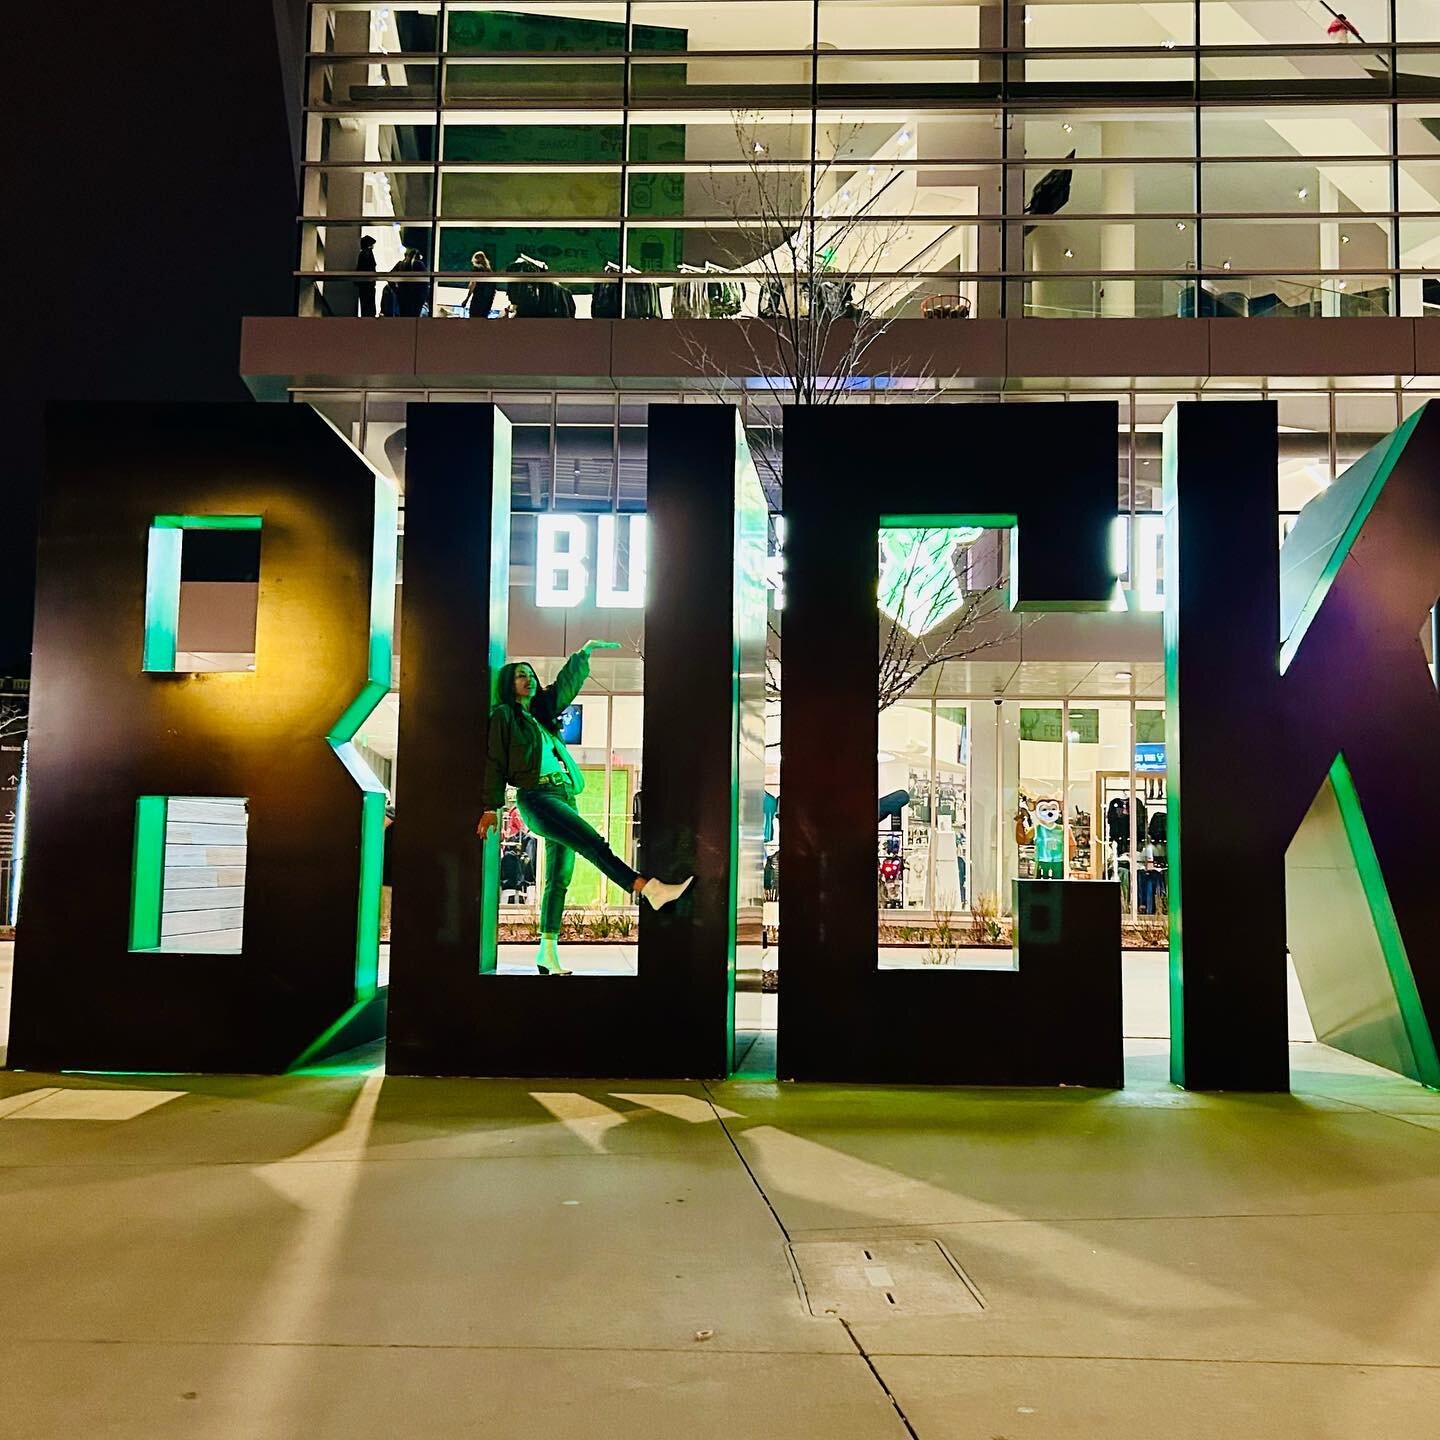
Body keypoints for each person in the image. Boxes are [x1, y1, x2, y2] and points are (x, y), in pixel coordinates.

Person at [477, 640, 693, 974]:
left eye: (531, 675)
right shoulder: (505, 716)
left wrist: (583, 654)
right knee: (594, 844)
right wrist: (492, 806)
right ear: (509, 684)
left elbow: (563, 687)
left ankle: (546, 952)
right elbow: (493, 761)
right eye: (521, 676)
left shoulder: (540, 715)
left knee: (559, 878)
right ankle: (648, 889)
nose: (528, 680)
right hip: (537, 797)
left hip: (564, 794)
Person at [391, 247, 428, 317]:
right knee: (414, 319)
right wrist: (423, 296)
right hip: (417, 297)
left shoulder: (401, 264)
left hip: (403, 296)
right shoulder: (420, 265)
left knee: (404, 317)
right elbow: (425, 281)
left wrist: (397, 290)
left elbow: (389, 277)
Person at [465, 249, 496, 319]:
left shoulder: (476, 270)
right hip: (487, 301)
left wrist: (466, 300)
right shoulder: (489, 271)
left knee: (473, 318)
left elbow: (473, 284)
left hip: (478, 298)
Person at [356, 235, 377, 317]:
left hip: (364, 284)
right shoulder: (368, 254)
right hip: (369, 284)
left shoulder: (362, 254)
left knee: (365, 303)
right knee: (369, 303)